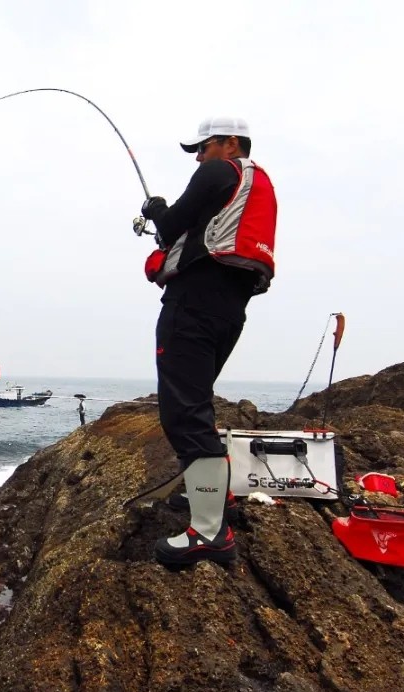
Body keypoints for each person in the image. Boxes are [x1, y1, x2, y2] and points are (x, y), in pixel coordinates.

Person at [138, 117, 278, 566]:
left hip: (193, 305)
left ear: (230, 142)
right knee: (197, 403)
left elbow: (173, 223)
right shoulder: (257, 183)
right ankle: (216, 499)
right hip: (229, 309)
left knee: (183, 412)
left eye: (203, 146)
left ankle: (210, 533)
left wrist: (156, 209)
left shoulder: (221, 171)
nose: (198, 157)